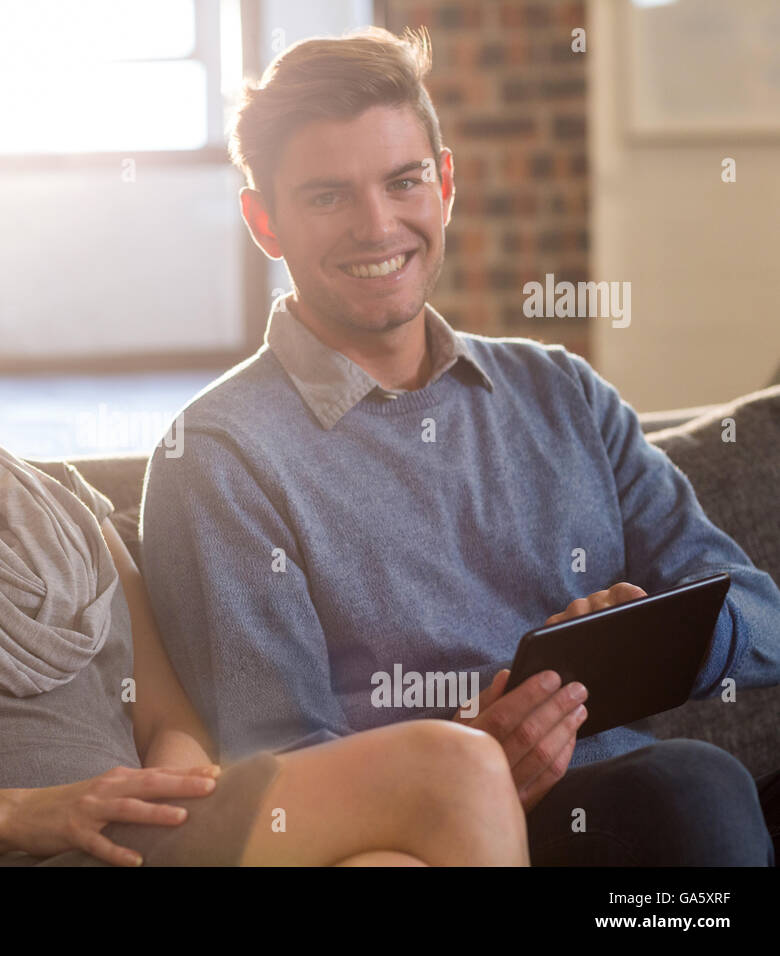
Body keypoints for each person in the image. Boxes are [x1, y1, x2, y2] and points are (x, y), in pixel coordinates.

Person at [0, 136, 527, 867]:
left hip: (132, 842)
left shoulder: (62, 506)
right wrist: (17, 813)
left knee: (420, 823)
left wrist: (152, 805)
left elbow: (172, 725)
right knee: (449, 770)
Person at [139, 27, 780, 866]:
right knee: (688, 787)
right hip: (465, 839)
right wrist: (469, 763)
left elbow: (763, 618)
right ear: (264, 220)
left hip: (653, 826)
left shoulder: (562, 392)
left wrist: (665, 636)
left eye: (403, 182)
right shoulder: (216, 459)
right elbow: (279, 780)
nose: (379, 227)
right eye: (328, 196)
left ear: (444, 185)